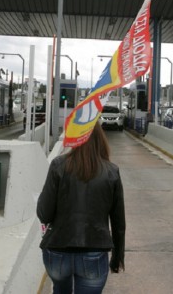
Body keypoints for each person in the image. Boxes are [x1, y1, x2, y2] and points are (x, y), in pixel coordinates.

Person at [37, 123, 126, 294]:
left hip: (57, 251)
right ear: (101, 140)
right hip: (94, 250)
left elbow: (44, 214)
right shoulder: (111, 171)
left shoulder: (58, 165)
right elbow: (118, 222)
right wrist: (117, 257)